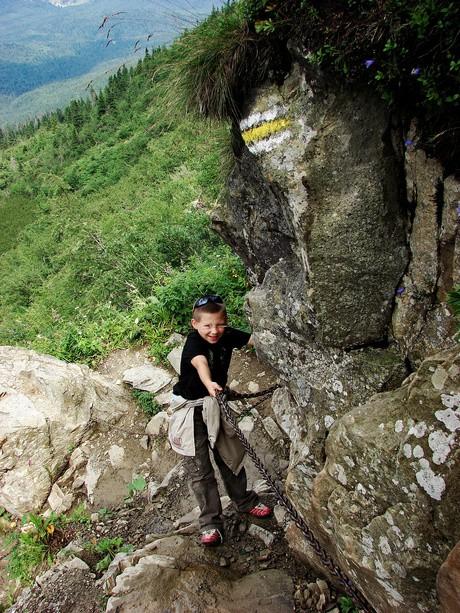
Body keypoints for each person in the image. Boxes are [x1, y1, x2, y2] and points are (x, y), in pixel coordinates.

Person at [168, 294, 272, 546]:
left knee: (229, 456)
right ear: (195, 325)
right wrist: (209, 383)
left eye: (219, 324)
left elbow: (251, 340)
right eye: (207, 326)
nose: (214, 331)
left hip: (216, 403)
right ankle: (210, 523)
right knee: (199, 469)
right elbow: (200, 363)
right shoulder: (193, 343)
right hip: (191, 411)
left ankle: (244, 501)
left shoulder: (225, 334)